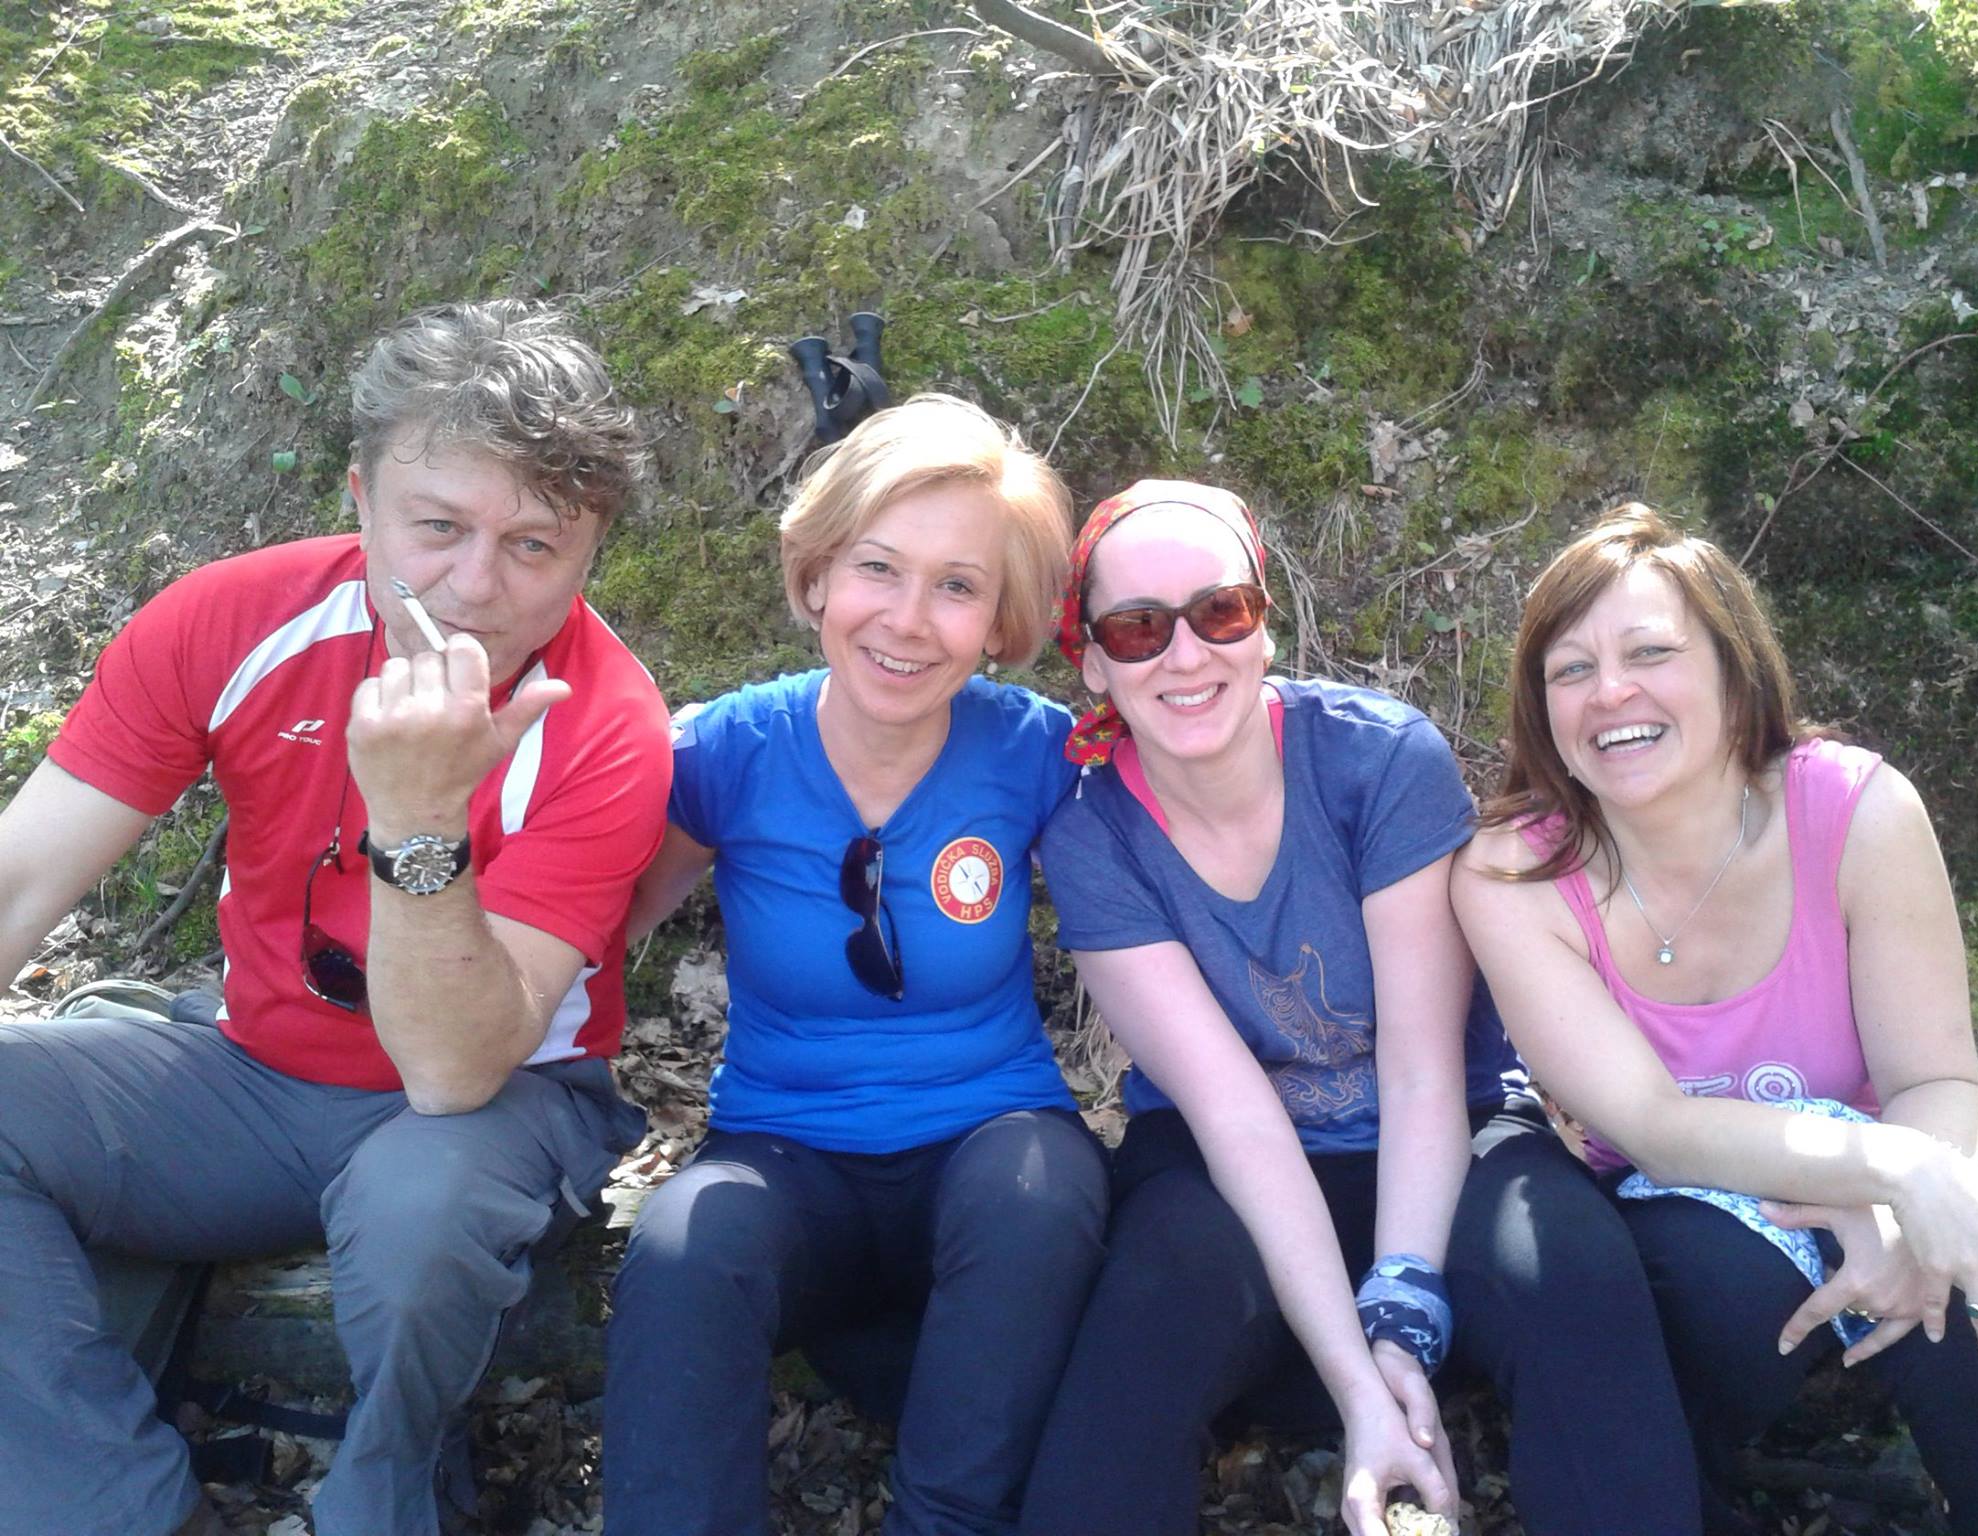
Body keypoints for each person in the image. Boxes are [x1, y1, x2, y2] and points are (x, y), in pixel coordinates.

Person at [0, 300, 672, 1536]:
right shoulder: (230, 620)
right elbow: (24, 876)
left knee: (420, 1228)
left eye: (533, 545)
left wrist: (418, 820)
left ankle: (387, 1492)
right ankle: (115, 1508)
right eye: (437, 527)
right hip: (253, 1072)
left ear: (590, 551)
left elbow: (453, 1072)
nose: (473, 586)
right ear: (360, 499)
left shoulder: (607, 727)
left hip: (496, 1101)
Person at [1450, 504, 1978, 1534]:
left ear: (1735, 672)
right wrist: (1889, 1177)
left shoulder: (1857, 812)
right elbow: (1656, 1127)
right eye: (1570, 670)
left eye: (1650, 652)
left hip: (1905, 1130)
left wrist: (1914, 1196)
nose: (1610, 692)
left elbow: (1934, 1079)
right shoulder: (1513, 874)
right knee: (1707, 1304)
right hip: (1687, 1182)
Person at [603, 393, 1109, 1536]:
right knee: (683, 1250)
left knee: (1043, 1194)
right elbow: (588, 934)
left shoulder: (1035, 757)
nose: (908, 621)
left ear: (999, 622)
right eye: (878, 568)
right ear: (818, 573)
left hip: (990, 1144)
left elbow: (1170, 902)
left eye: (957, 586)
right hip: (785, 1159)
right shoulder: (728, 752)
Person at [1015, 480, 1527, 1536]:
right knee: (1153, 1305)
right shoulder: (1091, 833)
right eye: (1138, 628)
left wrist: (1399, 1314)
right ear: (1093, 661)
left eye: (1220, 611)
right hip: (1228, 1165)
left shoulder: (1377, 759)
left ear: (1263, 623)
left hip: (1442, 1137)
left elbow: (1422, 1068)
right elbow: (1234, 1115)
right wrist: (1359, 1388)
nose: (1185, 655)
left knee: (1576, 1278)